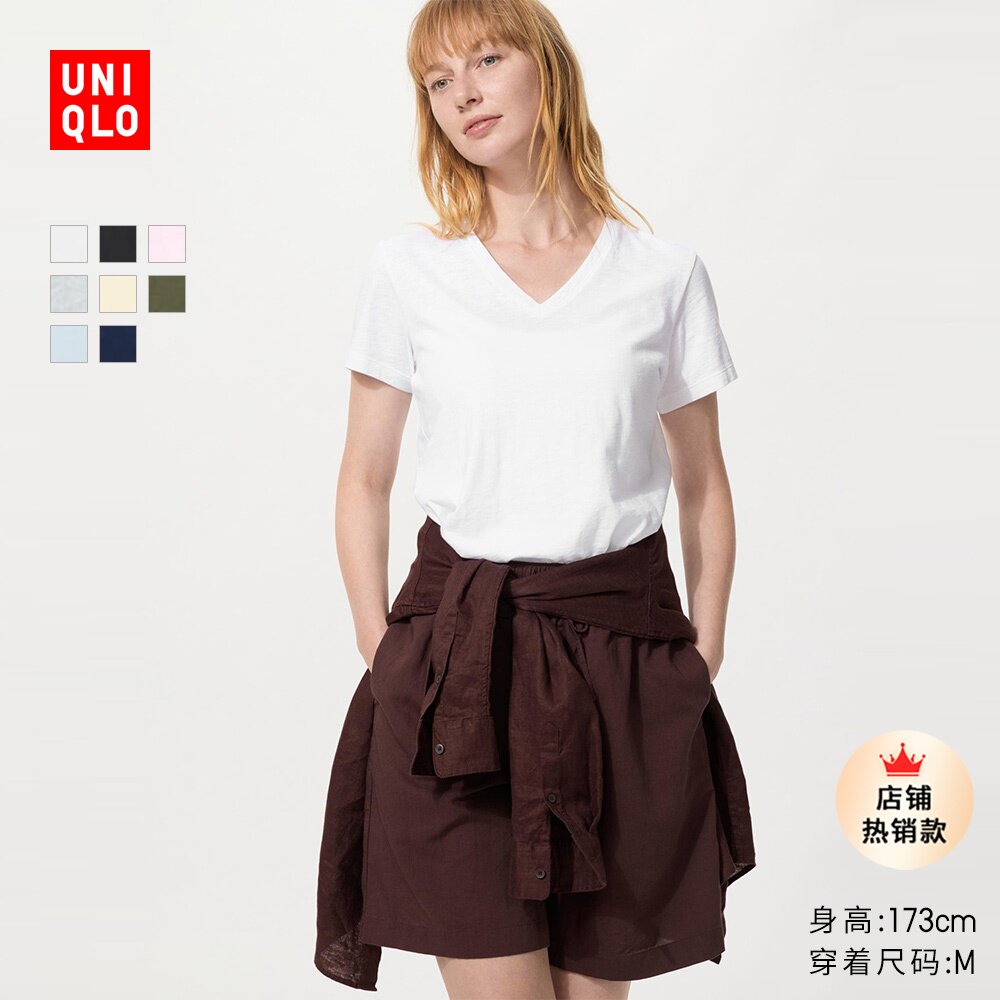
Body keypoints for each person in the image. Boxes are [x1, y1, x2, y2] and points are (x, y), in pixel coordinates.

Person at [315, 1, 756, 997]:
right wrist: (379, 644)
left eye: (485, 59)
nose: (462, 92)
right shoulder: (411, 272)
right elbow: (364, 476)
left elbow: (703, 484)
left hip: (621, 661)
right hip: (457, 671)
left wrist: (705, 649)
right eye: (438, 80)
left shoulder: (661, 275)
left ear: (545, 67)